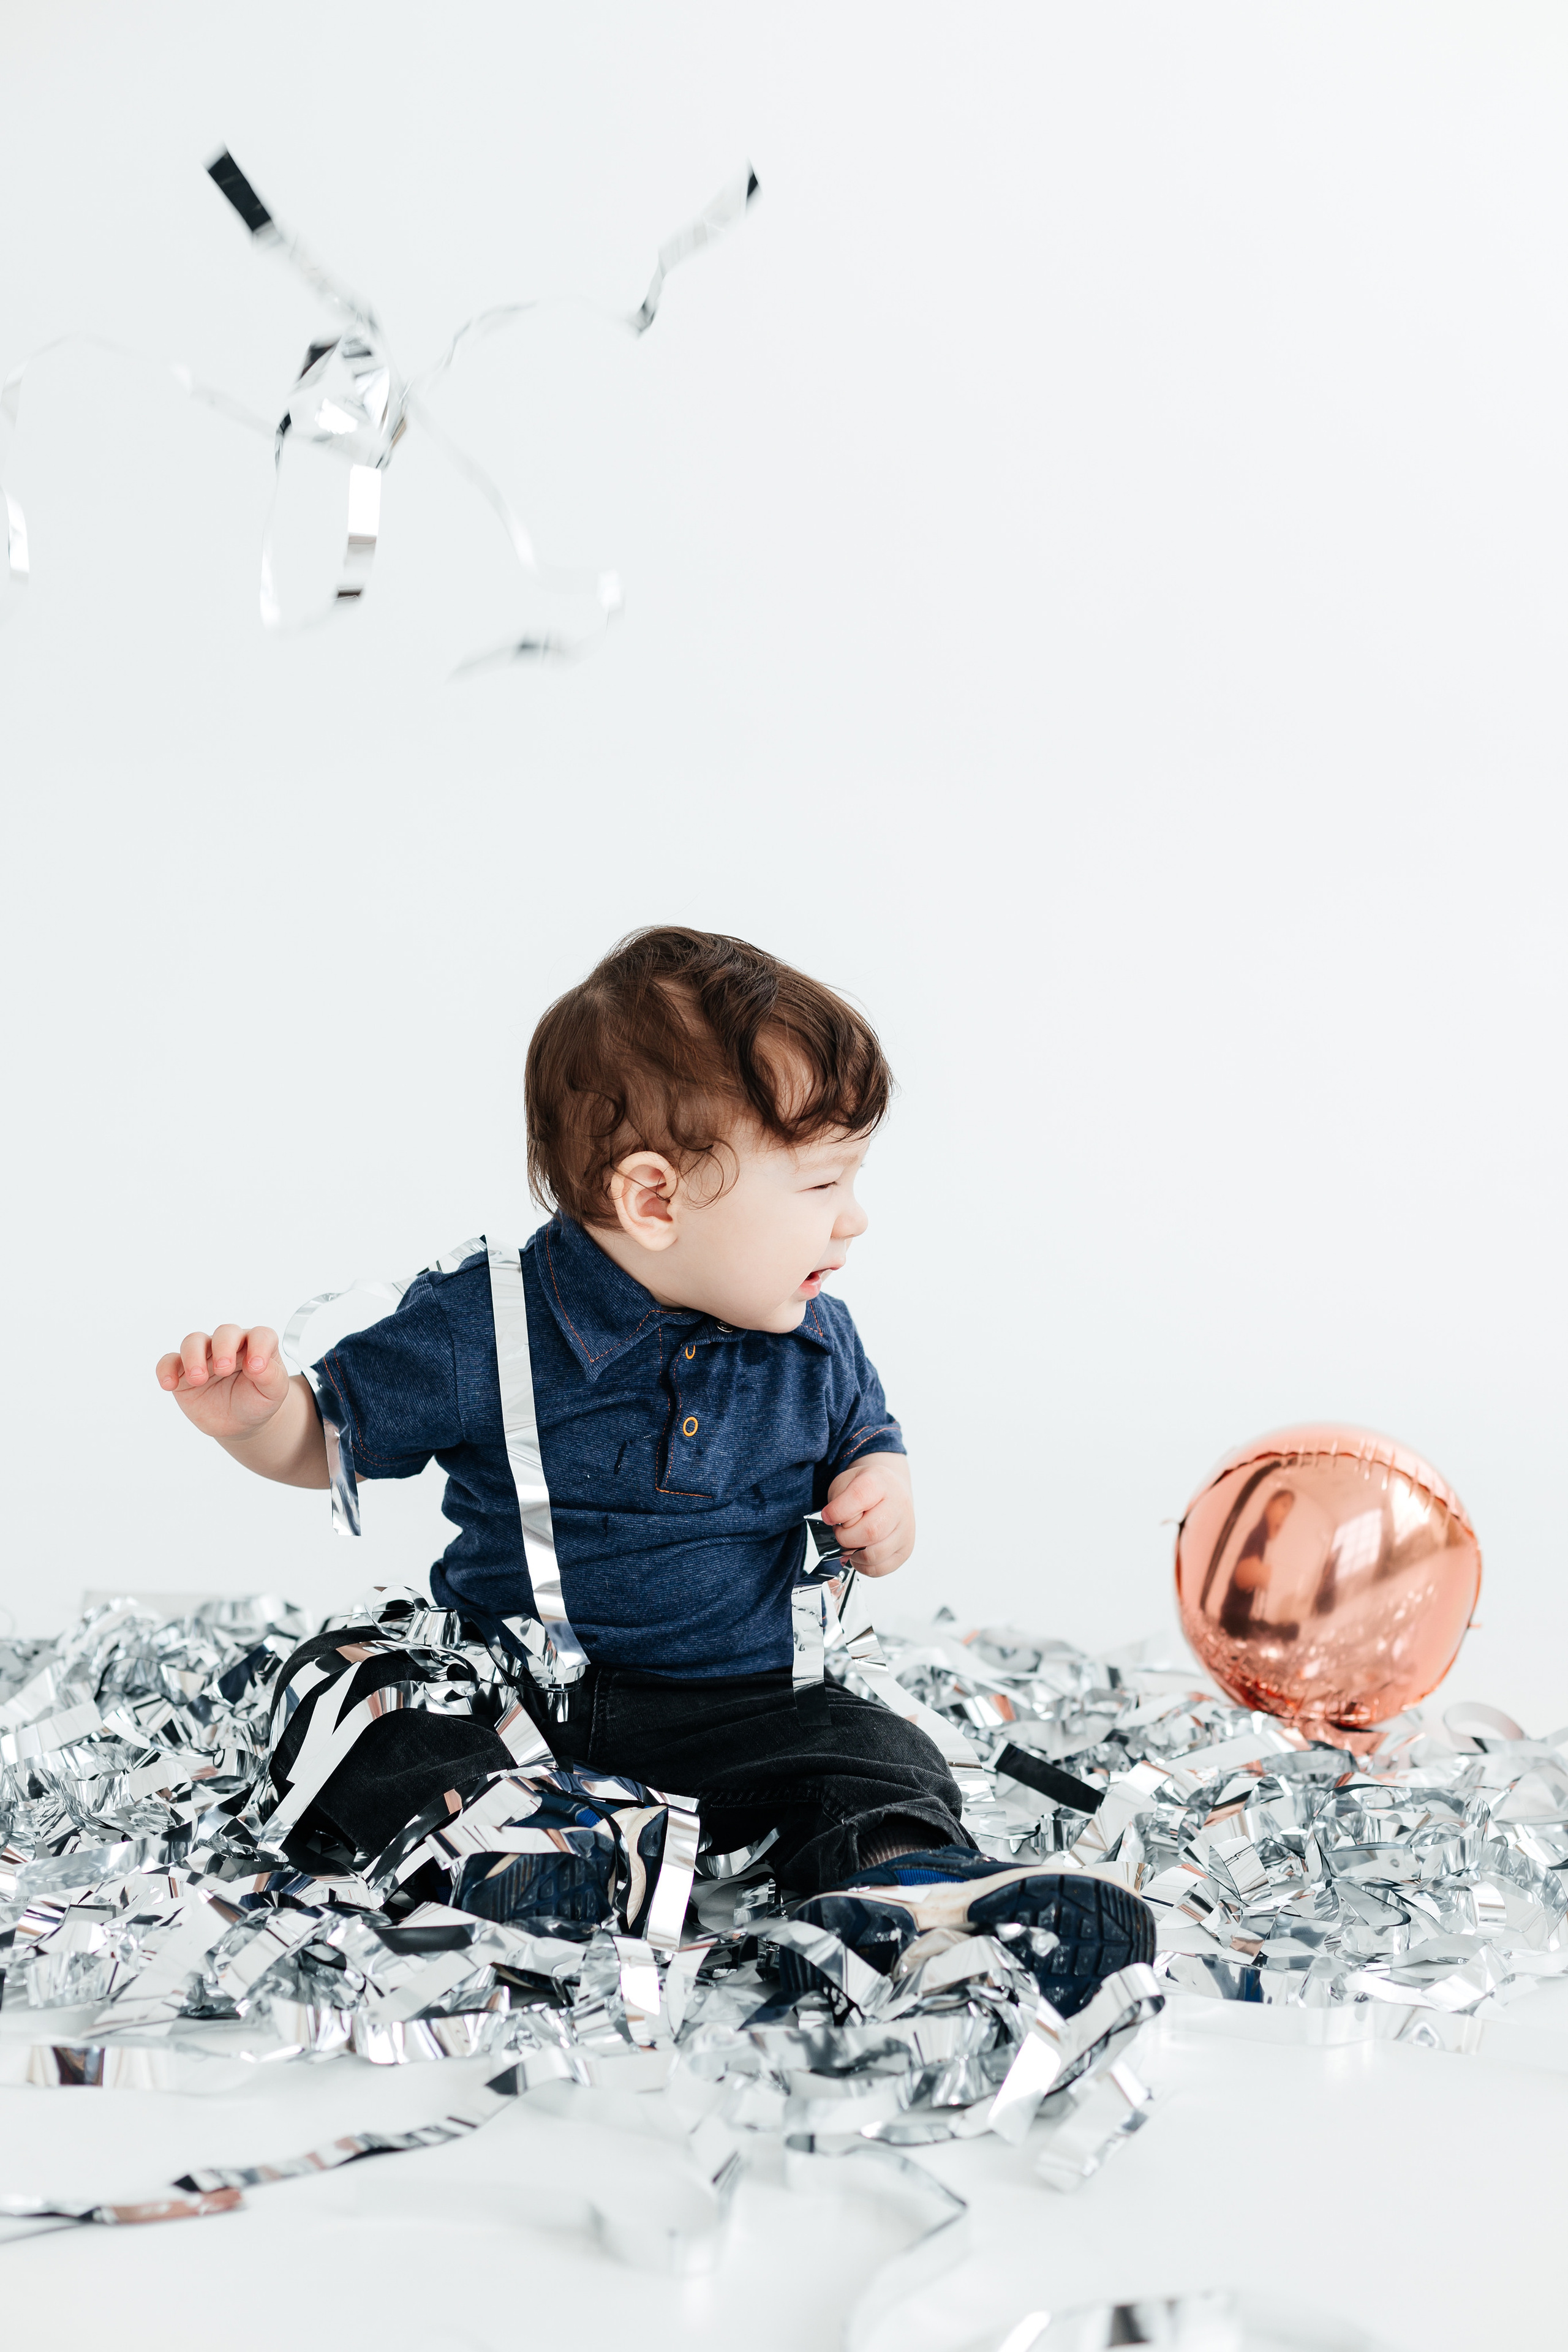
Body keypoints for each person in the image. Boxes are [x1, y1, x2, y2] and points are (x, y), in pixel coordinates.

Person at [156, 926, 1152, 2013]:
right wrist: (257, 1422)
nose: (855, 1218)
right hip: (519, 1700)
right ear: (656, 1200)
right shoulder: (481, 1327)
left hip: (747, 1713)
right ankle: (533, 1862)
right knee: (364, 1708)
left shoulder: (815, 1338)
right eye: (823, 1181)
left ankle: (903, 1887)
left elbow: (872, 1441)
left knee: (874, 1749)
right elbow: (331, 1443)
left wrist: (887, 1501)